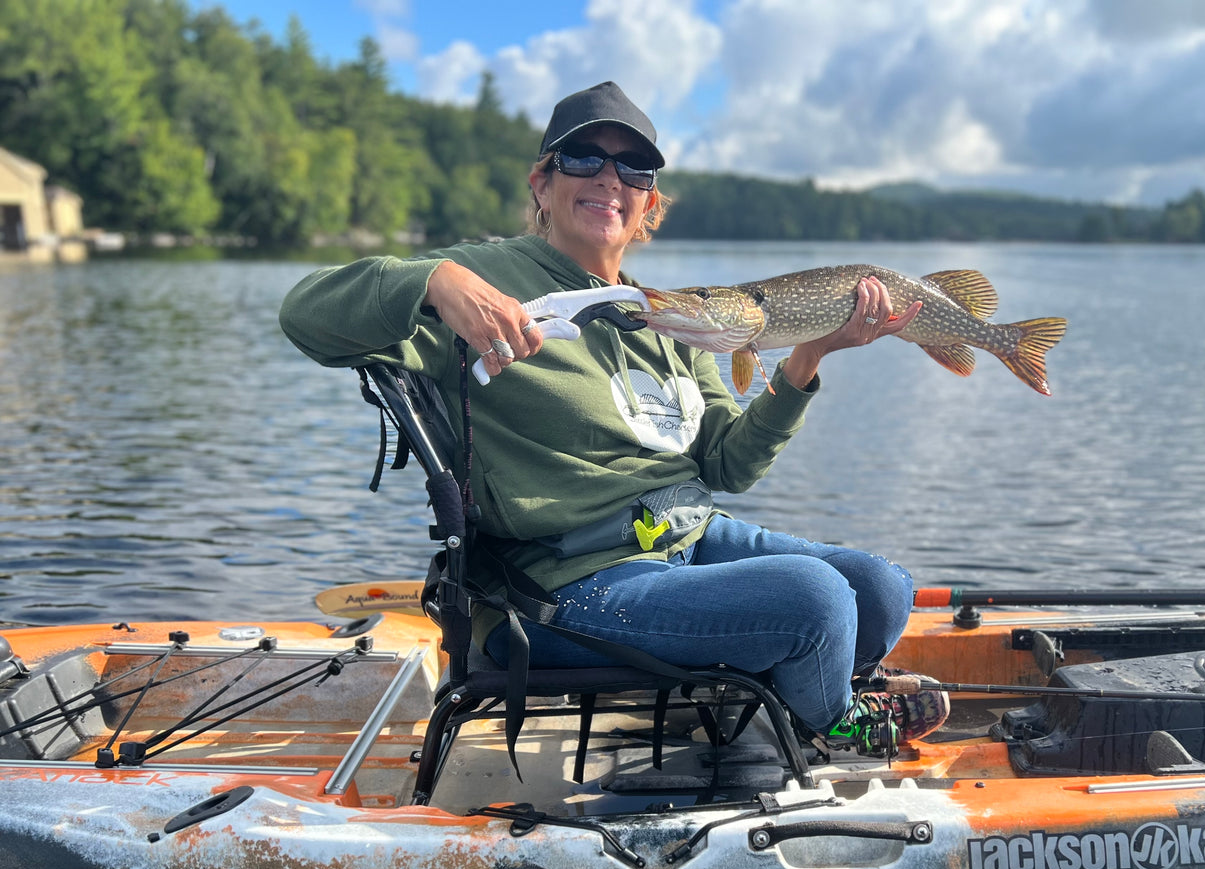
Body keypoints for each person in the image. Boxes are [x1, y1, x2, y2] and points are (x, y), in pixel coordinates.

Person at [280, 81, 947, 756]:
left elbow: (727, 465)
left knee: (880, 589)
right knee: (815, 601)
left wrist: (808, 357)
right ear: (541, 183)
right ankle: (833, 722)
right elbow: (305, 313)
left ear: (648, 204)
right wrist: (432, 282)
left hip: (682, 537)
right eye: (583, 160)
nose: (609, 179)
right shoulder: (485, 277)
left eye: (634, 170)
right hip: (565, 582)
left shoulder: (666, 311)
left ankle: (779, 690)